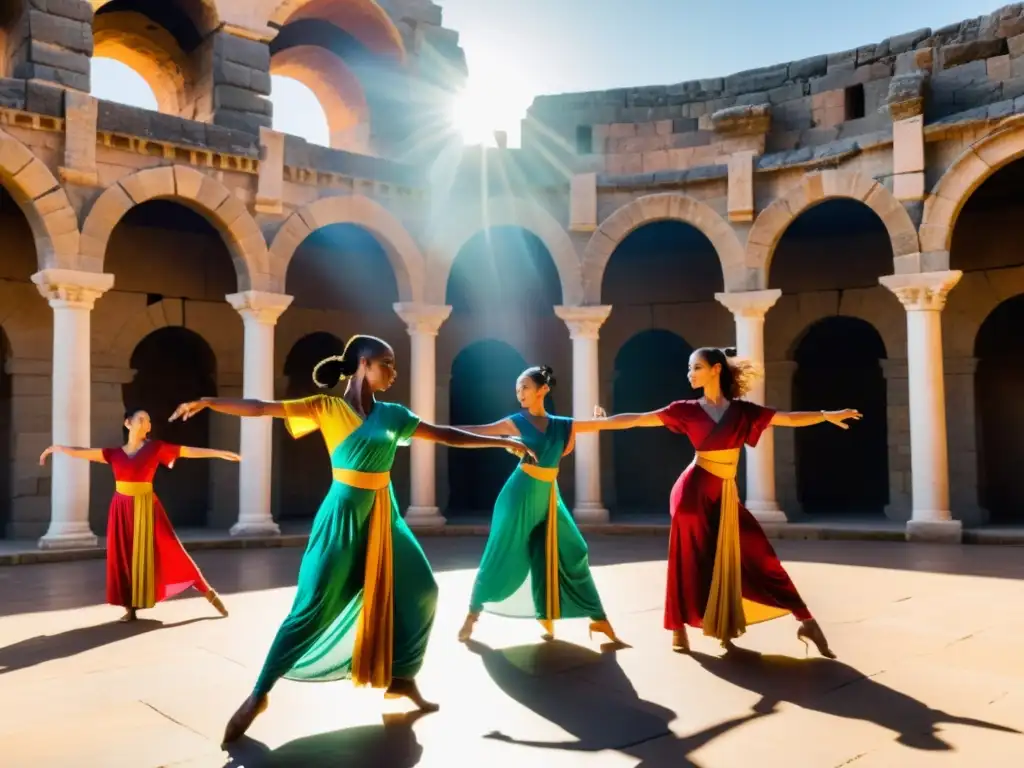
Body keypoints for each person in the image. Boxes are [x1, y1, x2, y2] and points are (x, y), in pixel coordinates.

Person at [168, 334, 538, 744]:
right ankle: (259, 694)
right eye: (387, 363)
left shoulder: (395, 416)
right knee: (312, 605)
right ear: (363, 363)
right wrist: (208, 401)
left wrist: (504, 440)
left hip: (385, 514)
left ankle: (401, 677)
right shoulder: (325, 407)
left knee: (423, 592)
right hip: (342, 514)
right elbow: (259, 408)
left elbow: (446, 434)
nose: (394, 372)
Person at [587, 347, 861, 658]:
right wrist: (604, 422)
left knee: (762, 556)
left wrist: (826, 416)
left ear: (716, 369)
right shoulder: (685, 409)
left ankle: (806, 621)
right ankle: (678, 626)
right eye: (689, 369)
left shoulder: (743, 412)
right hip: (692, 492)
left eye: (696, 367)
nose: (690, 374)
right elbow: (639, 420)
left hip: (726, 494)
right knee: (689, 560)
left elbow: (787, 418)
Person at [453, 365, 620, 645]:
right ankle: (472, 614)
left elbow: (603, 426)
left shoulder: (564, 424)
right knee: (501, 552)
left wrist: (602, 421)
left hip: (548, 494)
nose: (520, 393)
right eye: (517, 389)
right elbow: (476, 432)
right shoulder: (515, 421)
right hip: (519, 493)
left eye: (525, 387)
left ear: (543, 390)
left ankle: (596, 618)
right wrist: (431, 431)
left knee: (573, 548)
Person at [39, 409, 238, 623]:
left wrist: (217, 452)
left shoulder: (155, 448)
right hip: (121, 508)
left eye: (148, 420)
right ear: (128, 423)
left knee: (172, 549)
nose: (146, 423)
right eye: (141, 418)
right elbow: (83, 452)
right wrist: (58, 448)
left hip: (147, 506)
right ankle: (130, 607)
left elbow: (186, 451)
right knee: (124, 556)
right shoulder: (114, 454)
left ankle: (208, 592)